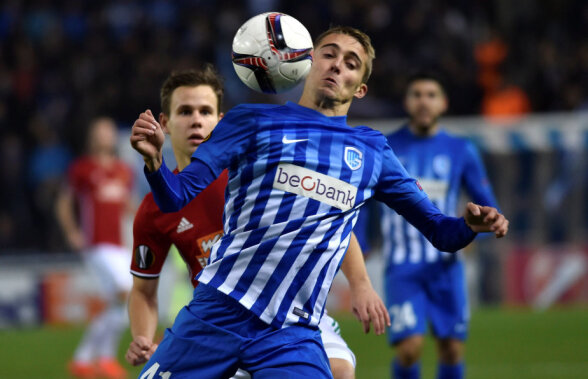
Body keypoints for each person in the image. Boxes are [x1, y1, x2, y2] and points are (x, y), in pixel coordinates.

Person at [130, 26, 508, 378]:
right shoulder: (252, 121)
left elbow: (441, 232)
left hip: (291, 333)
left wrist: (468, 226)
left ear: (359, 88)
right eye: (329, 54)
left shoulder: (372, 152)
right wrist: (154, 162)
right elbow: (175, 195)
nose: (337, 65)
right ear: (307, 63)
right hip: (216, 313)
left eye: (351, 63)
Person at [125, 66, 382, 379]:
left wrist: (361, 284)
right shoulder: (156, 208)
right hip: (217, 322)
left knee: (340, 372)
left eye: (206, 111)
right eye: (185, 111)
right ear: (164, 123)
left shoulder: (257, 171)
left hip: (290, 316)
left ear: (221, 121)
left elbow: (331, 222)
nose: (196, 120)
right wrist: (142, 336)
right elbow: (142, 291)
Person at [380, 71, 500, 379]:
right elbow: (364, 201)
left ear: (443, 103)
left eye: (431, 95)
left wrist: (488, 226)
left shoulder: (462, 150)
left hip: (447, 266)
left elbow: (486, 201)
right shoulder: (385, 147)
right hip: (402, 266)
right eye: (416, 94)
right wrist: (363, 243)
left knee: (451, 349)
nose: (423, 101)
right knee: (409, 349)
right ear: (406, 103)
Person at [56, 117, 134, 379]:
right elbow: (64, 202)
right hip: (96, 244)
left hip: (119, 246)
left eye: (109, 131)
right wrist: (71, 231)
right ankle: (103, 358)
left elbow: (126, 205)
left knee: (120, 306)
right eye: (100, 131)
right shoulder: (82, 169)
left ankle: (88, 359)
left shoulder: (124, 170)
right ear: (92, 137)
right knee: (125, 291)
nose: (105, 135)